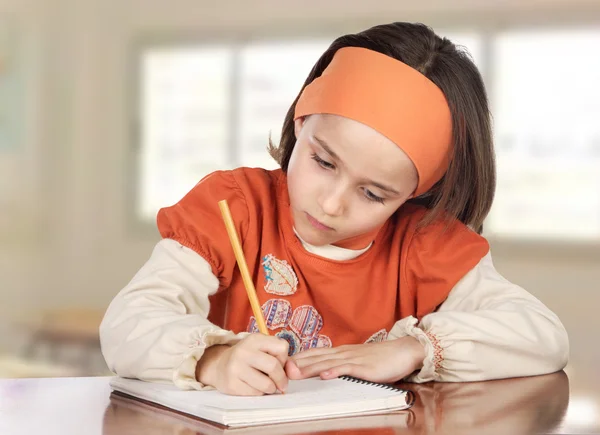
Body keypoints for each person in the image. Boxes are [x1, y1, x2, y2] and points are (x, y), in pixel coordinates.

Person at [99, 22, 569, 396]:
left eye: (373, 193)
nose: (330, 203)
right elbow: (126, 324)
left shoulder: (424, 242)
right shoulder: (234, 207)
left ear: (413, 193)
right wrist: (211, 359)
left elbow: (544, 336)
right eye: (323, 161)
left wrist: (413, 350)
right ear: (300, 120)